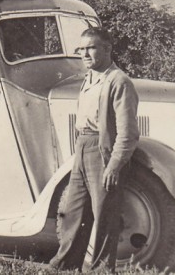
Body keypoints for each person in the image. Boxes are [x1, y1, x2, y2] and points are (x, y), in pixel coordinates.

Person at [50, 27, 139, 272]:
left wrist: (114, 164)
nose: (85, 54)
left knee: (104, 218)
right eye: (82, 49)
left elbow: (128, 132)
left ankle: (100, 270)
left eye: (91, 47)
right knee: (71, 211)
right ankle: (64, 266)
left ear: (108, 49)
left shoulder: (119, 81)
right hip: (82, 148)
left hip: (102, 152)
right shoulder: (89, 77)